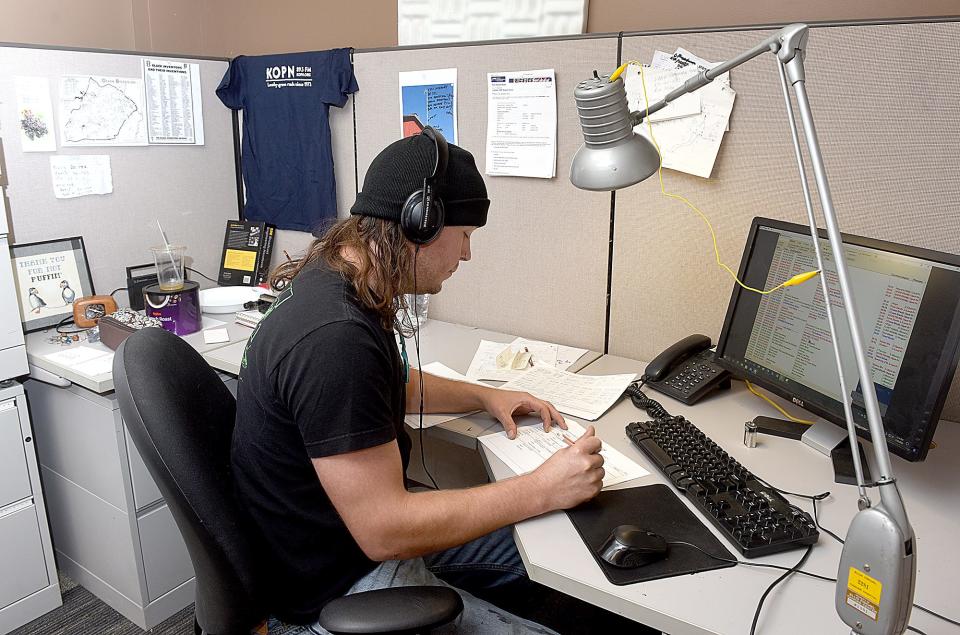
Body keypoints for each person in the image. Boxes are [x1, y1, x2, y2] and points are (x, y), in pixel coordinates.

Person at [231, 129, 605, 633]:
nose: (467, 255)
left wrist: (484, 395)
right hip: (342, 585)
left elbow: (385, 385)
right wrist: (541, 488)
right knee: (546, 541)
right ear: (420, 223)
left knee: (561, 559)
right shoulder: (335, 338)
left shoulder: (332, 278)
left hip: (329, 538)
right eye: (466, 234)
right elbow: (385, 530)